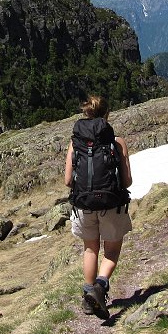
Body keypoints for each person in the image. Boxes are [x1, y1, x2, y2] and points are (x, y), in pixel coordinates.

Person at [65, 95, 133, 319]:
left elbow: (68, 181)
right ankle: (100, 286)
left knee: (90, 249)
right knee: (111, 251)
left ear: (86, 113)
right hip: (111, 203)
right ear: (107, 114)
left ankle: (88, 296)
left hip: (83, 204)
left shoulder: (75, 143)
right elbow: (127, 181)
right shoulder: (117, 141)